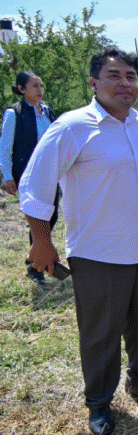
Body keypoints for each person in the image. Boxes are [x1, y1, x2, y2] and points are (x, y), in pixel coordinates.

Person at [19, 47, 138, 435]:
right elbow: (35, 187)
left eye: (130, 76)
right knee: (101, 333)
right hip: (99, 253)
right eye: (114, 76)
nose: (124, 83)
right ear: (94, 83)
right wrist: (42, 242)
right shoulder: (72, 127)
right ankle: (99, 403)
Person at [1, 71, 58, 284]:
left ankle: (35, 256)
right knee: (38, 218)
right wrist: (7, 176)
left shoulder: (49, 112)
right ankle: (36, 267)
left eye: (41, 85)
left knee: (51, 217)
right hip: (27, 174)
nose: (40, 90)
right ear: (22, 89)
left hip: (51, 173)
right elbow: (5, 147)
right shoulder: (13, 114)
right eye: (34, 86)